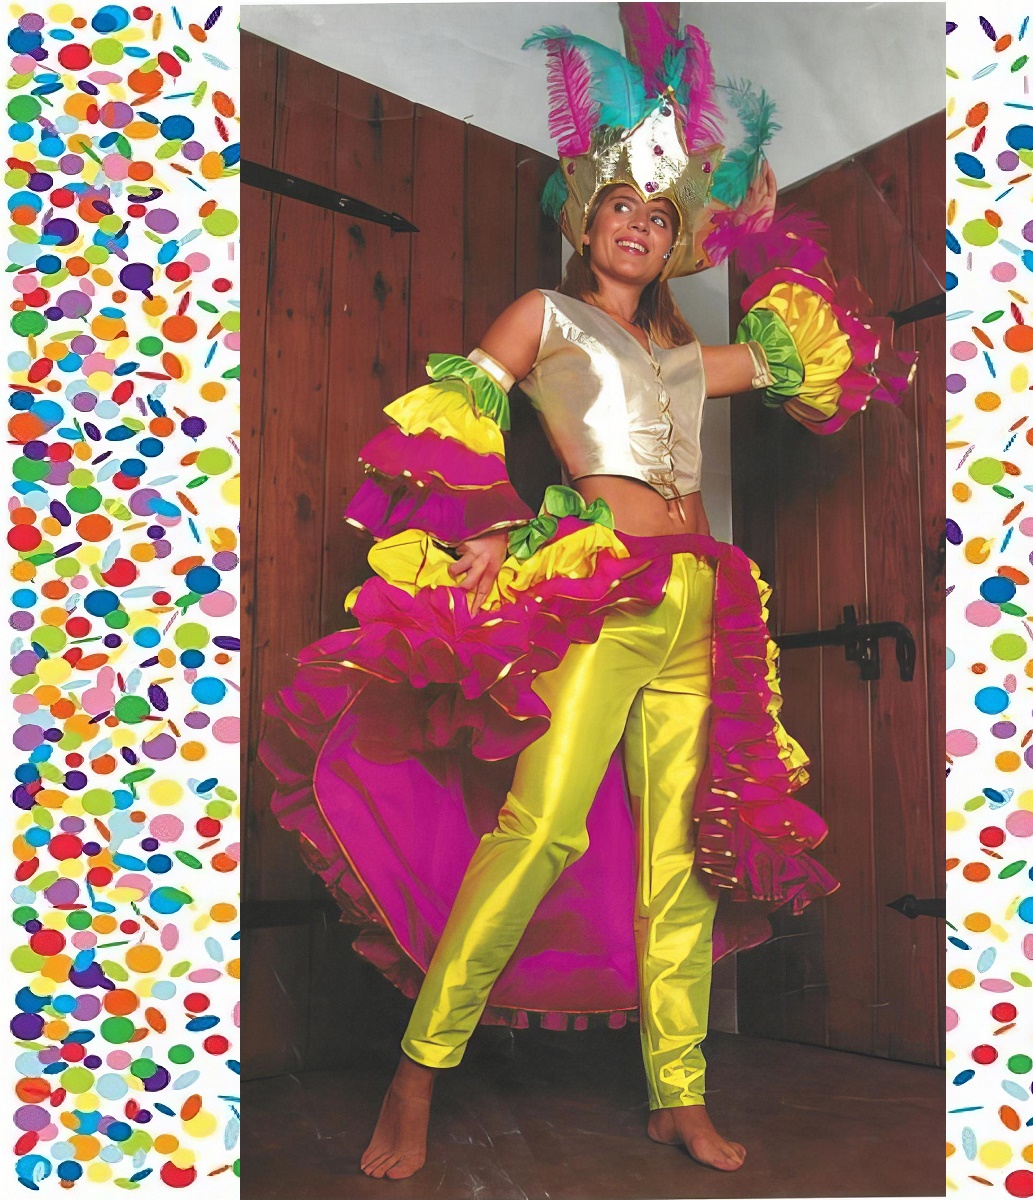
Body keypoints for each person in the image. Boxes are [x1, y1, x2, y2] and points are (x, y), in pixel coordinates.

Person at [260, 15, 915, 1185]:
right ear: (586, 218)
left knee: (682, 860)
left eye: (660, 217)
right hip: (600, 599)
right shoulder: (544, 316)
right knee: (540, 830)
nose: (638, 224)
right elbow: (457, 414)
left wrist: (764, 229)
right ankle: (420, 1071)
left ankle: (679, 1094)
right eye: (621, 205)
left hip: (704, 608)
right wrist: (490, 522)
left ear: (674, 243)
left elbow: (819, 355)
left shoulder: (687, 360)